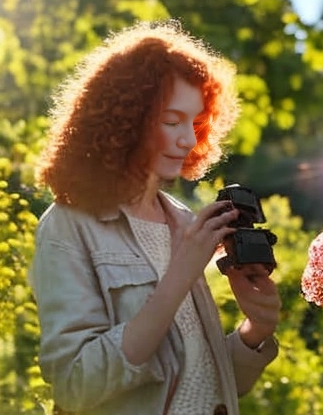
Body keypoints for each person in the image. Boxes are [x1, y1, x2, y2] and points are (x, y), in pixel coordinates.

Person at [30, 20, 281, 415]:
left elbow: (199, 376)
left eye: (195, 123)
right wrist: (179, 275)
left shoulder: (182, 221)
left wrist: (255, 332)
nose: (188, 139)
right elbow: (75, 384)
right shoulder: (67, 227)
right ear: (125, 120)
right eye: (171, 121)